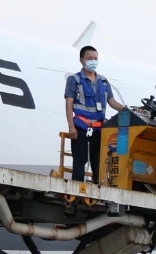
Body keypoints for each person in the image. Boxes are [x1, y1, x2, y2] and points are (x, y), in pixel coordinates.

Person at [64, 45, 124, 183]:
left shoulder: (103, 81)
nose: (93, 61)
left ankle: (98, 190)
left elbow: (112, 102)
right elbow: (69, 103)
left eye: (95, 58)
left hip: (99, 130)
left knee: (98, 162)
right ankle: (77, 189)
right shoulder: (74, 80)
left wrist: (126, 110)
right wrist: (71, 127)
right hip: (81, 127)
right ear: (82, 61)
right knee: (80, 161)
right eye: (90, 58)